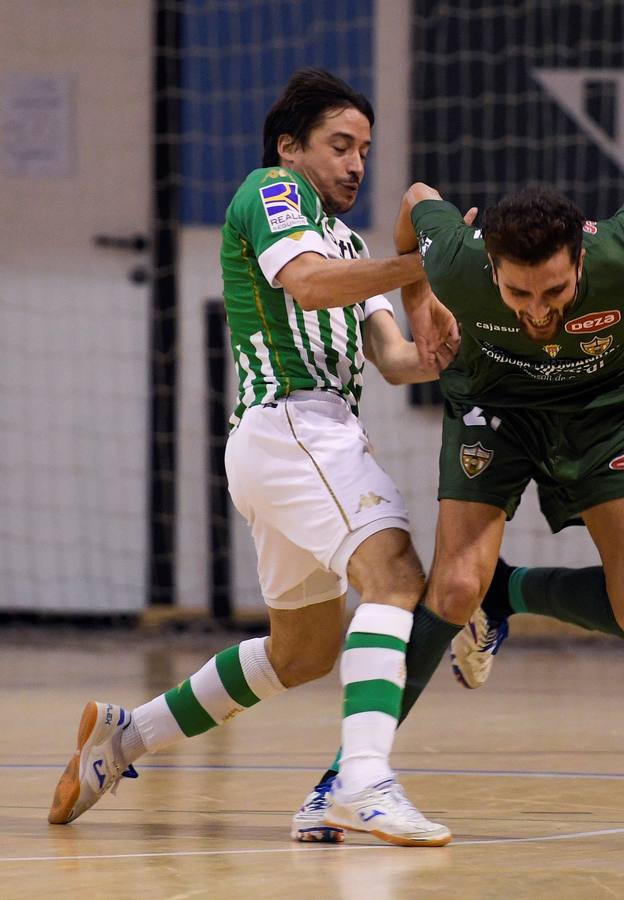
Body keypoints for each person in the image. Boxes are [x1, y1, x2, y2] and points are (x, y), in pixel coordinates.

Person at [294, 95, 624, 818]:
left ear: (581, 259)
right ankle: (345, 778)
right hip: (495, 413)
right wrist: (421, 305)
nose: (538, 311)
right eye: (517, 292)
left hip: (609, 418)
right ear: (491, 270)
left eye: (555, 291)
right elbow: (417, 202)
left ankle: (507, 591)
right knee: (448, 591)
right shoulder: (458, 262)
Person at [48, 68, 468, 848]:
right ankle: (363, 784)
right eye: (339, 145)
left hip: (304, 439)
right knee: (396, 578)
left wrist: (439, 341)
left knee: (301, 651)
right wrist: (423, 265)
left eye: (365, 151)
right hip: (294, 425)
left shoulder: (350, 242)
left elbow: (398, 362)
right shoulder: (272, 192)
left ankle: (123, 736)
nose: (354, 164)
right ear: (290, 146)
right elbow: (307, 288)